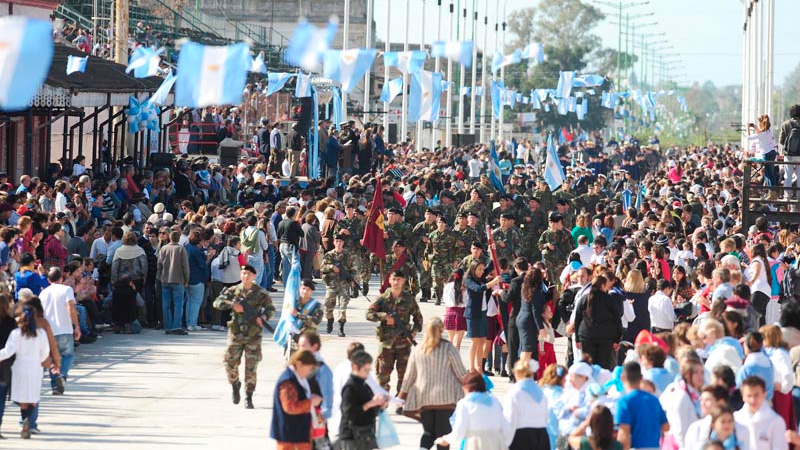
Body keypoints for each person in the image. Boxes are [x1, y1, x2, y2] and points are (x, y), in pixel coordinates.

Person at [399, 317, 468, 450]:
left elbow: (409, 376)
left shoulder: (418, 349)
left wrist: (401, 396)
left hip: (424, 398)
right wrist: (474, 388)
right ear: (442, 330)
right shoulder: (448, 348)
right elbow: (461, 373)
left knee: (428, 432)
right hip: (446, 399)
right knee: (443, 435)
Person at [213, 264, 275, 409]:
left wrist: (264, 317)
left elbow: (270, 308)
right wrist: (232, 304)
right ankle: (235, 383)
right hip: (236, 333)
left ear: (253, 276)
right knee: (229, 361)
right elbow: (217, 302)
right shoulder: (234, 291)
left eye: (248, 274)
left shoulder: (260, 293)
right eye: (243, 273)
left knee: (251, 367)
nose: (245, 276)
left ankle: (249, 396)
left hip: (253, 335)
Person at [366, 269, 423, 394]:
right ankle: (382, 402)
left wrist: (413, 332)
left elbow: (419, 319)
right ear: (390, 280)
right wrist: (384, 316)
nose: (396, 282)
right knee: (383, 375)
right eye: (394, 279)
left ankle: (401, 401)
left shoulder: (409, 299)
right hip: (386, 343)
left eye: (399, 279)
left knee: (405, 375)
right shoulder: (382, 299)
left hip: (404, 343)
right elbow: (368, 314)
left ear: (403, 281)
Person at [0, 304, 51, 439]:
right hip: (35, 367)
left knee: (22, 397)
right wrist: (38, 360)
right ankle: (28, 419)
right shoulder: (41, 333)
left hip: (20, 367)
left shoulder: (16, 333)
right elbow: (45, 352)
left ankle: (24, 417)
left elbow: (8, 351)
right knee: (32, 396)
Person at [435, 371, 512, 450]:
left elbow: (459, 431)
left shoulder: (464, 404)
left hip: (475, 443)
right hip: (496, 443)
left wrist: (445, 439)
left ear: (466, 387)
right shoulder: (494, 401)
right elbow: (506, 429)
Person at [269, 349, 323, 450]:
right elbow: (290, 407)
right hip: (290, 437)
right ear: (299, 364)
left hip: (298, 433)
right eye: (309, 368)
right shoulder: (288, 381)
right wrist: (311, 402)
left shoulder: (298, 378)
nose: (309, 372)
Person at [39, 267, 80, 395]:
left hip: (48, 331)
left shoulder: (43, 293)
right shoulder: (66, 289)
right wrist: (76, 325)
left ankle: (55, 386)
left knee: (52, 359)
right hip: (64, 328)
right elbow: (70, 307)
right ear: (61, 278)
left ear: (48, 279)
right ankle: (61, 375)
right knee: (67, 355)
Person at [338, 350, 388, 450]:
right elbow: (349, 413)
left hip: (365, 435)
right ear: (355, 367)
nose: (368, 374)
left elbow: (370, 412)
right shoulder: (350, 387)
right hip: (352, 437)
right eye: (366, 370)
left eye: (369, 370)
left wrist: (380, 405)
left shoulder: (364, 385)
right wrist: (369, 404)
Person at [573, 275, 623, 370]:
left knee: (588, 365)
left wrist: (577, 339)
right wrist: (617, 339)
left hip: (586, 335)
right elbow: (617, 319)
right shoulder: (609, 299)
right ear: (603, 285)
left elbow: (577, 319)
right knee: (603, 366)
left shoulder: (584, 299)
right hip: (605, 336)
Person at [616, 362, 669, 450]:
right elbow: (666, 426)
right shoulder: (654, 400)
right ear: (641, 378)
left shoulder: (625, 401)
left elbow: (624, 434)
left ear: (622, 378)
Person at [464, 261, 503, 373]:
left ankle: (479, 366)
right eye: (479, 269)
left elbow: (490, 265)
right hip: (473, 314)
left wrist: (491, 250)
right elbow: (479, 289)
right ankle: (471, 367)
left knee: (482, 341)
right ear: (473, 269)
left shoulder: (481, 276)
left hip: (483, 313)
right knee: (474, 341)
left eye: (482, 269)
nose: (481, 272)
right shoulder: (469, 279)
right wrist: (494, 282)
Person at [504, 360, 550, 450]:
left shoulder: (514, 392)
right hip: (542, 435)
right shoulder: (541, 391)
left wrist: (506, 442)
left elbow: (510, 419)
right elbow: (546, 416)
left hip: (521, 436)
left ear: (517, 373)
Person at [659, 357, 704, 450]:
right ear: (687, 375)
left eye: (702, 372)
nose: (700, 376)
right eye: (696, 373)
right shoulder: (681, 395)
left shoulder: (697, 392)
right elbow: (679, 428)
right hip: (680, 444)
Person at [734, 376, 787, 450]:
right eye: (749, 396)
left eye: (756, 395)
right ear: (743, 396)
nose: (753, 400)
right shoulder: (735, 418)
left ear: (764, 394)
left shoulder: (776, 421)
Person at [321, 233, 355, 337]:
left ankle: (341, 328)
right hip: (331, 284)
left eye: (340, 241)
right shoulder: (329, 255)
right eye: (336, 241)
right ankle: (330, 320)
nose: (338, 243)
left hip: (343, 285)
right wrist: (331, 267)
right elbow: (322, 268)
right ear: (333, 242)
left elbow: (353, 269)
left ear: (343, 243)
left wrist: (353, 280)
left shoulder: (347, 255)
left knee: (343, 307)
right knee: (328, 306)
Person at [157, 230, 190, 335]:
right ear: (179, 238)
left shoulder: (163, 248)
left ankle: (167, 326)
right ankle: (176, 326)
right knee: (178, 304)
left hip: (165, 279)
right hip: (178, 279)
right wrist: (186, 279)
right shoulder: (181, 249)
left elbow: (159, 264)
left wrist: (160, 276)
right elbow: (185, 266)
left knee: (165, 304)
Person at [518, 266, 547, 364]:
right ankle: (522, 373)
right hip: (528, 322)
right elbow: (536, 311)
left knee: (525, 348)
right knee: (527, 351)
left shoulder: (525, 288)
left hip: (522, 319)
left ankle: (524, 373)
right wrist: (541, 328)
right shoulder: (535, 292)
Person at [443, 269, 468, 351]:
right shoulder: (464, 287)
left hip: (449, 312)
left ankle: (448, 361)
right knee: (457, 342)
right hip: (461, 313)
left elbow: (445, 299)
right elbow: (467, 300)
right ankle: (455, 361)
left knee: (450, 340)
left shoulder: (447, 286)